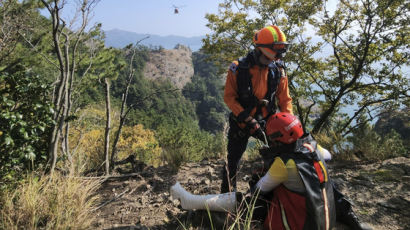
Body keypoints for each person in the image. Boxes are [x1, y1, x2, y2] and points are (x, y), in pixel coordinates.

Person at [171, 113, 372, 230]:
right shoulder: (315, 149)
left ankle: (191, 201)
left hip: (299, 222)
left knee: (244, 199)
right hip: (320, 215)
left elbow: (259, 189)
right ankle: (192, 201)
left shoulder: (284, 164)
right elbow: (329, 156)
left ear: (277, 138)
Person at [222, 25, 293, 193]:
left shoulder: (278, 70)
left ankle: (272, 192)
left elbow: (285, 100)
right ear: (261, 49)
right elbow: (229, 97)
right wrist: (247, 118)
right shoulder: (238, 68)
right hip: (241, 122)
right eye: (274, 53)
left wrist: (289, 125)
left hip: (268, 121)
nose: (276, 58)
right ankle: (227, 197)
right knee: (232, 163)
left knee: (282, 155)